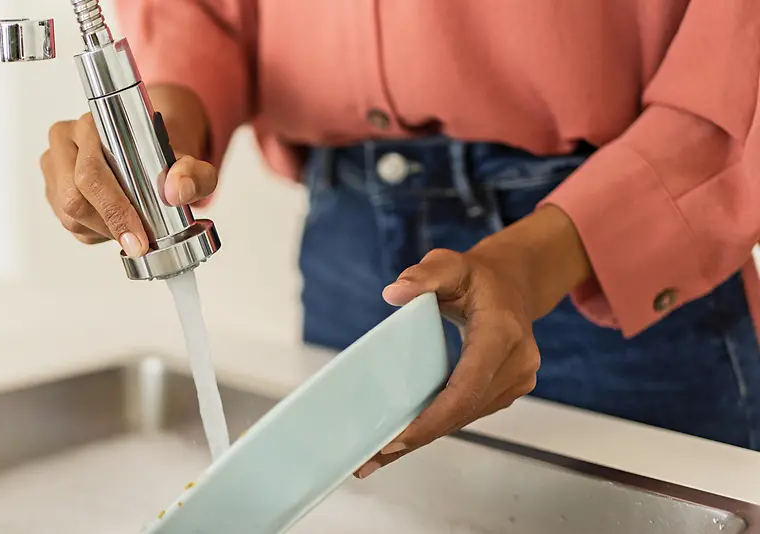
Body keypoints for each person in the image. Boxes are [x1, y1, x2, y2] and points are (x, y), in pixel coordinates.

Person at [38, 0, 760, 478]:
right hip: (347, 252)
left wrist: (531, 259)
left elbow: (735, 55)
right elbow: (204, 17)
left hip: (615, 276)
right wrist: (154, 135)